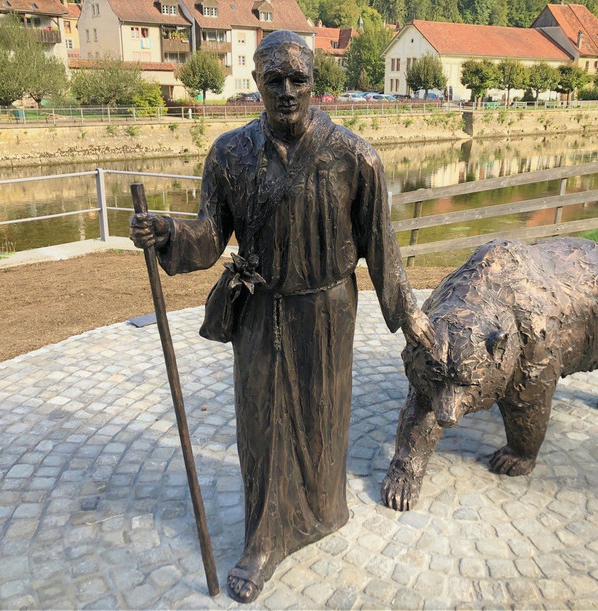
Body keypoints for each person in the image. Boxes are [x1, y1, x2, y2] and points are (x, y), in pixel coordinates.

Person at [130, 30, 433, 603]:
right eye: (275, 80)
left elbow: (381, 244)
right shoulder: (230, 154)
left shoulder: (354, 157)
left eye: (298, 79)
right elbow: (210, 235)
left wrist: (408, 311)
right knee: (263, 423)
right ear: (257, 83)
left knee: (322, 419)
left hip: (328, 310)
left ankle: (321, 512)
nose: (288, 90)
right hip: (260, 308)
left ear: (314, 81)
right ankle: (263, 539)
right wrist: (168, 232)